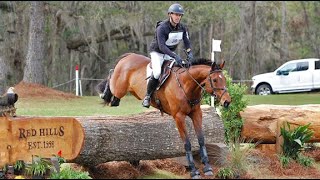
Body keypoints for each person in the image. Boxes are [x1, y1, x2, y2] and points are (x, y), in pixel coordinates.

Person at [142, 3, 194, 108]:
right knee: (157, 72)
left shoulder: (183, 28)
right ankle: (147, 96)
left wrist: (190, 53)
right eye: (176, 14)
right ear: (170, 14)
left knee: (179, 69)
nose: (178, 17)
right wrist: (175, 56)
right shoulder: (162, 28)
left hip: (169, 52)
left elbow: (186, 42)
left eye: (180, 15)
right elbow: (162, 46)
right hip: (157, 52)